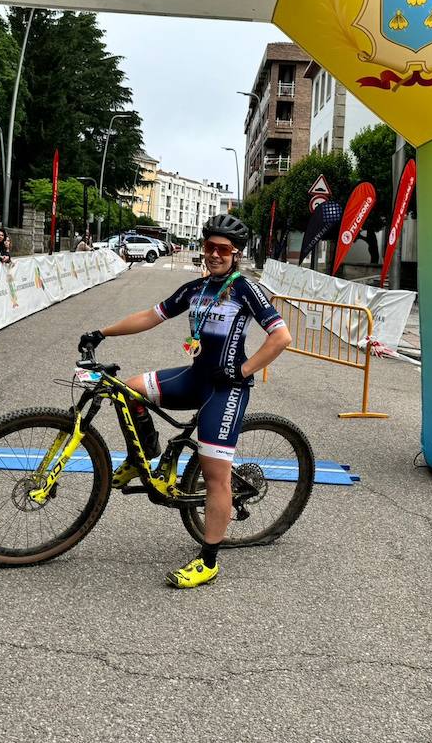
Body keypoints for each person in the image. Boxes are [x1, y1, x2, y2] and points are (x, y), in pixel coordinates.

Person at [79, 214, 291, 589]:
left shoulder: (246, 289)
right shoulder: (195, 289)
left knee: (215, 476)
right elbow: (151, 315)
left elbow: (281, 337)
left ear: (236, 253)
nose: (213, 254)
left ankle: (208, 560)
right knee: (126, 390)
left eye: (222, 249)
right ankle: (141, 456)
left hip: (225, 389)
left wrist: (242, 372)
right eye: (209, 246)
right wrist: (101, 332)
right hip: (195, 377)